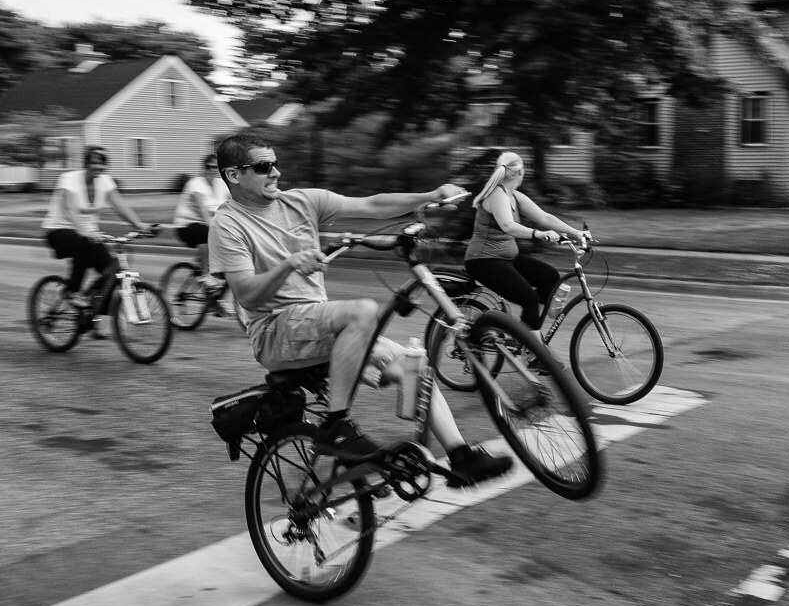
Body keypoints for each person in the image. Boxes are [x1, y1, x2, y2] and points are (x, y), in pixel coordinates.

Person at [207, 133, 512, 488]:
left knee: (417, 368)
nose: (275, 172)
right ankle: (336, 426)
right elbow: (246, 295)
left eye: (275, 163)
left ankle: (461, 458)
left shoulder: (302, 201)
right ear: (234, 175)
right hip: (275, 333)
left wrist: (430, 196)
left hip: (319, 325)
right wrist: (290, 264)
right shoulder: (227, 224)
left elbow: (372, 205)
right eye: (263, 166)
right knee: (362, 311)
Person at [463, 151, 586, 344]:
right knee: (528, 299)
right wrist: (538, 234)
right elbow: (508, 226)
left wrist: (576, 233)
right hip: (483, 261)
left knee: (550, 277)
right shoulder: (497, 195)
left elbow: (545, 217)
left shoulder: (515, 196)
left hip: (506, 259)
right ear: (520, 172)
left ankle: (521, 331)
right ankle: (532, 349)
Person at [41, 145, 151, 337]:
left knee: (113, 271)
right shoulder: (69, 179)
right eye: (93, 162)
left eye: (101, 164)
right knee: (85, 243)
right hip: (58, 230)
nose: (97, 167)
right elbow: (70, 209)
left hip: (89, 236)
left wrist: (140, 225)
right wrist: (84, 231)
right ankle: (72, 292)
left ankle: (90, 317)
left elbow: (120, 205)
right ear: (86, 163)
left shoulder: (105, 182)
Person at [171, 155, 234, 314]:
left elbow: (234, 204)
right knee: (206, 233)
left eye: (216, 167)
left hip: (209, 225)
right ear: (204, 168)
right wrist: (215, 228)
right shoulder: (195, 184)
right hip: (186, 226)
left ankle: (216, 300)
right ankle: (206, 275)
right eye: (209, 167)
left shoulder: (221, 185)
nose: (212, 170)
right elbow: (202, 212)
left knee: (232, 259)